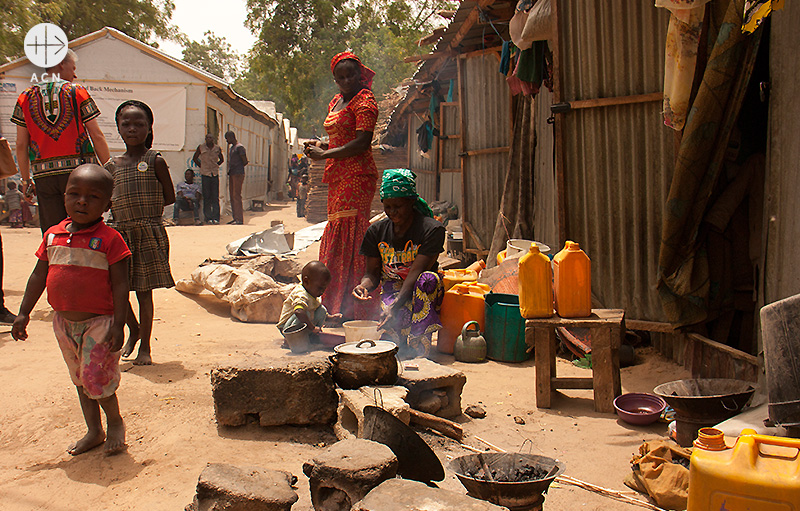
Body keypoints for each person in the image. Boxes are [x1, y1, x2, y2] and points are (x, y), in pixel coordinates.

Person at [12, 164, 131, 455]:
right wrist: (24, 312)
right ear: (64, 196)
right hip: (64, 323)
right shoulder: (52, 235)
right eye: (74, 194)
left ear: (107, 205)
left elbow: (120, 285)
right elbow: (39, 275)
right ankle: (94, 430)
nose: (82, 201)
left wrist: (119, 324)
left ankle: (115, 422)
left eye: (92, 197)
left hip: (99, 323)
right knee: (79, 379)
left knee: (96, 378)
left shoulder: (110, 240)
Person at [304, 52, 379, 320]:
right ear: (334, 79)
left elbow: (362, 143)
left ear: (360, 75)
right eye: (341, 77)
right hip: (339, 174)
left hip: (358, 175)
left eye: (351, 75)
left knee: (352, 233)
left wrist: (324, 155)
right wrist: (322, 147)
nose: (347, 80)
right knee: (337, 230)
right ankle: (334, 303)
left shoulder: (365, 102)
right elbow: (339, 139)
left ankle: (354, 305)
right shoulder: (336, 101)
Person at [106, 100, 175, 365]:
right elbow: (106, 200)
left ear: (149, 128)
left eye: (139, 124)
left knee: (144, 292)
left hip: (147, 233)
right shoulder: (111, 165)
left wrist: (146, 212)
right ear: (118, 128)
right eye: (126, 124)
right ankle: (132, 330)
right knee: (117, 291)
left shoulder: (154, 160)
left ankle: (145, 345)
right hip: (119, 234)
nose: (132, 129)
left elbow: (169, 197)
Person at [11, 49, 110, 233]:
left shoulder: (25, 97)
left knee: (53, 232)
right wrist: (110, 171)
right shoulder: (77, 92)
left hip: (44, 176)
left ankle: (55, 262)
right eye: (73, 68)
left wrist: (26, 180)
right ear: (60, 64)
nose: (75, 74)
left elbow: (21, 144)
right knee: (84, 228)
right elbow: (96, 135)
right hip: (81, 175)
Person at [353, 169, 446, 358]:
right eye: (387, 207)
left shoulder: (432, 230)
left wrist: (395, 305)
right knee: (392, 346)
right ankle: (401, 342)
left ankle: (420, 345)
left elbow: (417, 272)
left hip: (421, 290)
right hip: (392, 288)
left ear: (411, 202)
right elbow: (372, 273)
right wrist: (363, 286)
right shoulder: (375, 232)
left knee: (428, 280)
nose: (392, 212)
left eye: (398, 206)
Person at [276, 261, 340, 341]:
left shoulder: (312, 292)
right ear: (306, 281)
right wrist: (312, 327)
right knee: (305, 313)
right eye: (319, 288)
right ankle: (292, 339)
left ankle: (313, 335)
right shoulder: (300, 294)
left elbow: (317, 309)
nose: (321, 292)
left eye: (324, 289)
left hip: (303, 321)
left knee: (321, 310)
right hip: (287, 328)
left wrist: (331, 318)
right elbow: (298, 312)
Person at [192, 133, 223, 224]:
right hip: (205, 174)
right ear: (205, 139)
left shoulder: (217, 148)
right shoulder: (201, 147)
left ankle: (216, 218)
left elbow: (222, 159)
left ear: (213, 139)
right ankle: (208, 217)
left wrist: (216, 166)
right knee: (207, 197)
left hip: (214, 174)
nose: (209, 139)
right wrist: (201, 166)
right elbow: (195, 158)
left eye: (210, 138)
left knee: (215, 197)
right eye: (207, 138)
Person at [225, 131, 248, 225]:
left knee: (236, 196)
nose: (227, 141)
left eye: (227, 138)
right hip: (232, 173)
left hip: (238, 173)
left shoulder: (239, 148)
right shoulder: (232, 148)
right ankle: (235, 217)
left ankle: (239, 219)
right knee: (232, 196)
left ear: (231, 137)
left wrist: (237, 167)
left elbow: (245, 161)